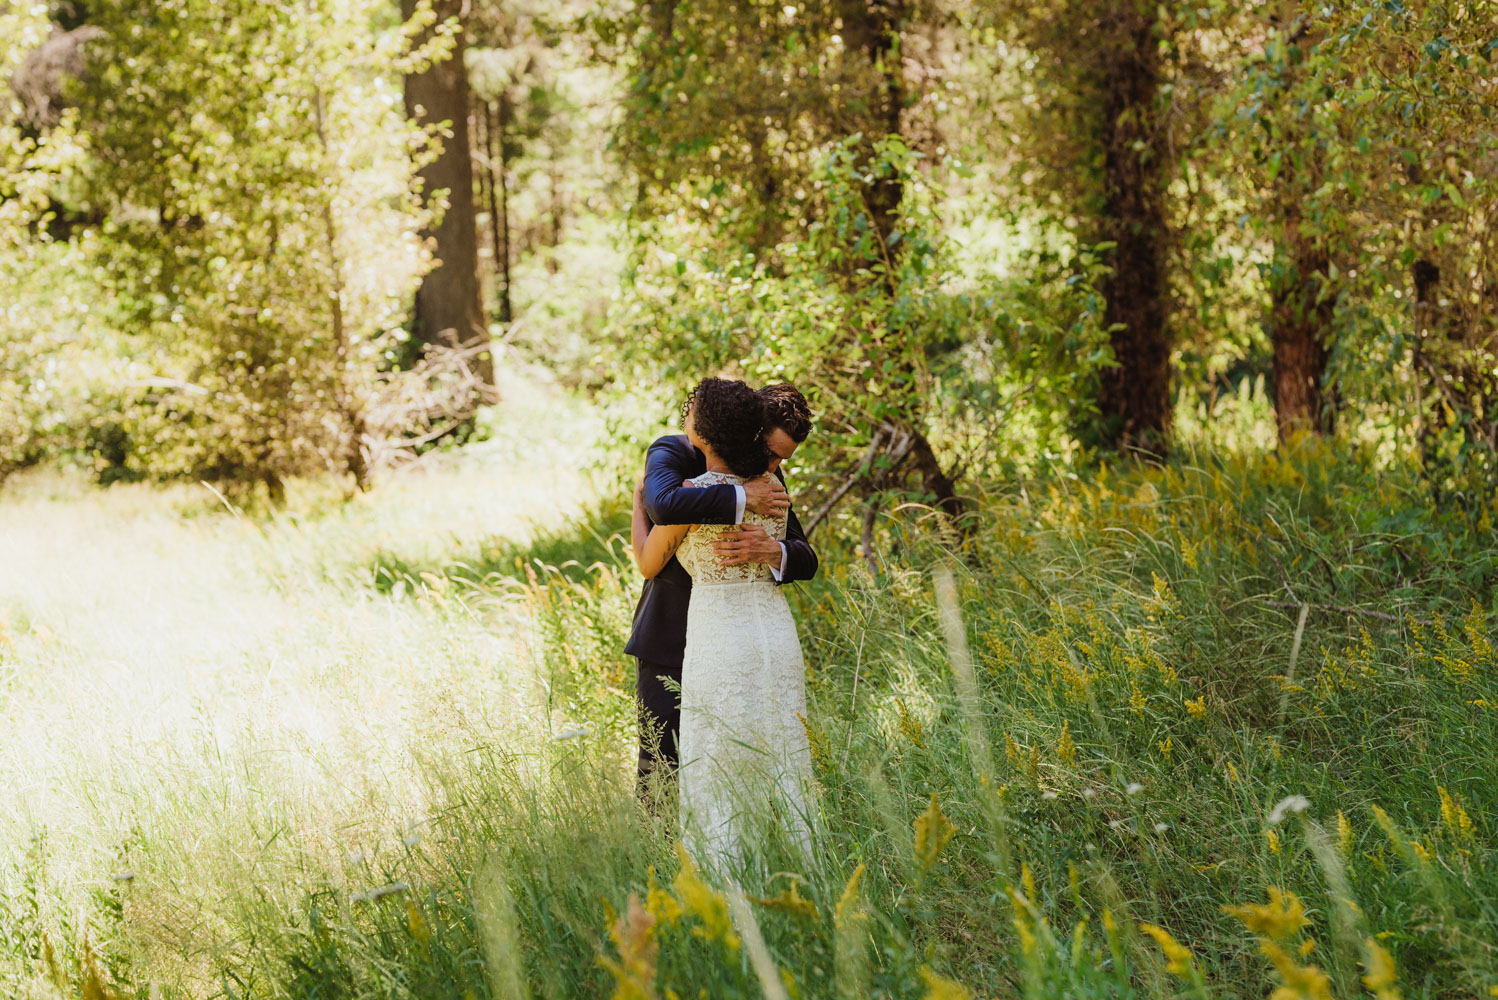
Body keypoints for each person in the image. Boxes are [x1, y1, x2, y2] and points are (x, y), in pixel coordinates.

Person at [627, 378, 817, 858]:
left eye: (781, 462)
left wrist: (775, 550)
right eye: (772, 453)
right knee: (662, 758)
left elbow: (804, 553)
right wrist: (739, 499)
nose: (774, 468)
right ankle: (661, 865)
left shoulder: (765, 477)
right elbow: (661, 504)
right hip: (672, 635)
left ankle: (751, 853)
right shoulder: (673, 453)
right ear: (751, 433)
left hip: (743, 636)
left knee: (743, 749)